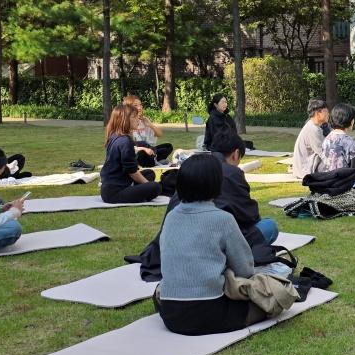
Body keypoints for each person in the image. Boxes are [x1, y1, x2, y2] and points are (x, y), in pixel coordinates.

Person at [153, 153, 264, 336]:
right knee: (268, 300)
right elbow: (245, 269)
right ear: (216, 184)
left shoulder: (172, 216)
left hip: (171, 314)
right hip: (210, 312)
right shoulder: (223, 219)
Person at [209, 132, 280, 247]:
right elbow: (250, 216)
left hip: (183, 237)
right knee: (269, 226)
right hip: (215, 241)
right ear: (236, 154)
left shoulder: (192, 166)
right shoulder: (231, 173)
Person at [101, 104, 164, 204]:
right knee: (156, 187)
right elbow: (132, 172)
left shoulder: (116, 136)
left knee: (149, 173)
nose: (137, 119)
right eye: (134, 117)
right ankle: (141, 192)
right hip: (115, 192)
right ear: (124, 120)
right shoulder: (124, 141)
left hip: (113, 185)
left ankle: (138, 190)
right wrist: (147, 184)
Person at [123, 94, 173, 166]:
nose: (139, 107)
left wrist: (150, 125)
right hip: (137, 151)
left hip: (150, 150)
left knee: (168, 146)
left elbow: (160, 134)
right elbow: (128, 146)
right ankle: (153, 161)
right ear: (128, 108)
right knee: (142, 147)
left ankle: (153, 159)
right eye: (136, 105)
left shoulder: (144, 120)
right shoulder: (127, 122)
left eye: (140, 105)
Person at [293, 98, 330, 178]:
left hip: (308, 165)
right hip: (306, 170)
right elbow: (324, 153)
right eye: (326, 111)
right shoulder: (313, 130)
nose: (328, 114)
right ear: (318, 113)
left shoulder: (315, 126)